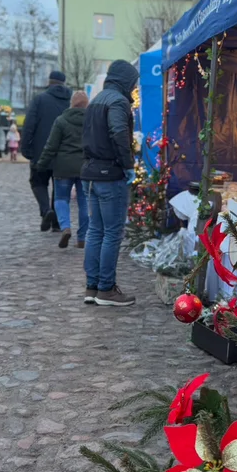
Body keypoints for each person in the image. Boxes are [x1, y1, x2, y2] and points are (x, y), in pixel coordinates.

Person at [81, 61, 138, 306]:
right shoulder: (117, 101)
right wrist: (128, 164)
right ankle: (106, 289)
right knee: (112, 233)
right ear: (125, 80)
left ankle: (92, 287)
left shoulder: (96, 100)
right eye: (133, 83)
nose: (135, 88)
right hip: (109, 174)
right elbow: (117, 132)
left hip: (91, 172)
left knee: (95, 230)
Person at [37, 91, 89, 249]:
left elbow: (51, 146)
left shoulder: (61, 120)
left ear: (71, 104)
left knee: (61, 199)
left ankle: (65, 226)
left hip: (63, 167)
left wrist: (41, 164)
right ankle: (82, 238)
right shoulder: (91, 121)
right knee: (84, 202)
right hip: (85, 167)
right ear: (87, 104)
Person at [21, 70, 71, 232]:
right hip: (64, 152)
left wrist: (26, 148)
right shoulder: (70, 100)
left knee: (38, 182)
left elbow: (29, 125)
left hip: (40, 151)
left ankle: (46, 210)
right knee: (59, 188)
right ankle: (56, 222)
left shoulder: (39, 99)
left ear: (49, 82)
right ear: (64, 83)